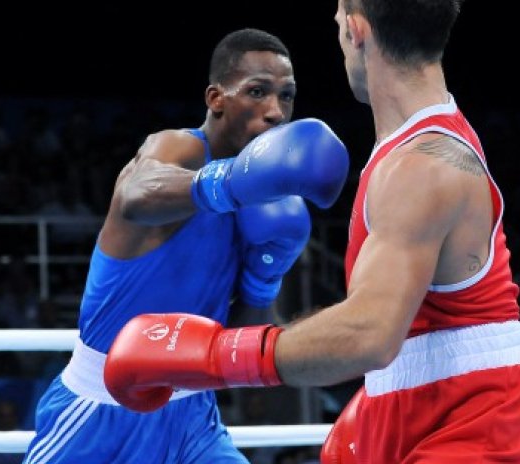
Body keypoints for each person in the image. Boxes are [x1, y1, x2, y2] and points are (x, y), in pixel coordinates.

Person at [103, 0, 520, 462]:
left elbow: (369, 335)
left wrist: (215, 354)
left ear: (355, 30)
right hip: (421, 401)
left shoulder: (423, 166)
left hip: (471, 419)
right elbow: (415, 330)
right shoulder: (408, 149)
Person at [23, 28, 349, 464]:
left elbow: (240, 339)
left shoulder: (263, 205)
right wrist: (225, 184)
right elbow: (135, 194)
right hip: (101, 412)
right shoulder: (179, 149)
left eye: (286, 96)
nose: (275, 112)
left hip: (195, 418)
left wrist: (262, 278)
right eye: (257, 91)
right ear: (216, 98)